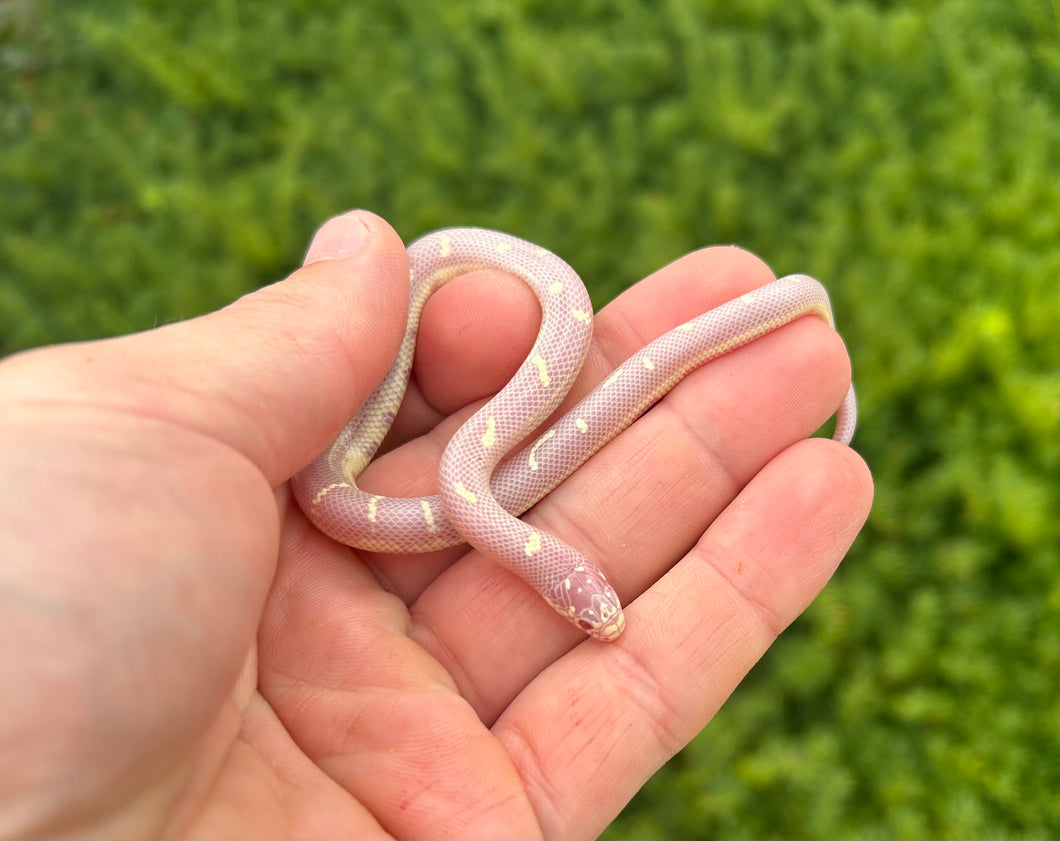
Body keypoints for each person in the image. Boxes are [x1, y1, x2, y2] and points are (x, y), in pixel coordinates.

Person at [0, 211, 872, 838]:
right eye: (585, 607)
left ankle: (793, 313)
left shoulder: (468, 496)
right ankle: (793, 314)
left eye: (587, 607)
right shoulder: (454, 500)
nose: (591, 612)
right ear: (556, 582)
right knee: (503, 422)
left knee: (543, 406)